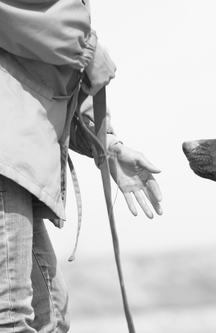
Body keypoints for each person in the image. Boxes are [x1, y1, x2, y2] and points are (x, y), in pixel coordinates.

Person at [0, 1, 162, 332]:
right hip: (8, 155)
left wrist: (109, 147)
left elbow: (58, 82)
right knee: (12, 318)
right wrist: (87, 48)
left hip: (20, 158)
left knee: (52, 318)